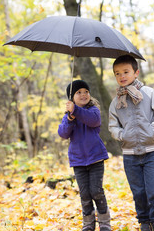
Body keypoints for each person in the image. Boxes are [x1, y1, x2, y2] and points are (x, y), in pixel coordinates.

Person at [108, 55, 154, 231]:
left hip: (151, 152)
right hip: (130, 155)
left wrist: (153, 129)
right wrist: (122, 135)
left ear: (136, 72)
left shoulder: (149, 93)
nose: (122, 76)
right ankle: (144, 222)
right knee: (139, 192)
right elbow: (112, 125)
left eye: (126, 72)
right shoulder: (116, 102)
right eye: (117, 73)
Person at [58, 80, 111, 231]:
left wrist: (76, 111)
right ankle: (88, 224)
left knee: (96, 191)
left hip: (95, 158)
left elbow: (94, 121)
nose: (83, 94)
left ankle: (104, 222)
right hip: (78, 161)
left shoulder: (93, 110)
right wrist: (70, 119)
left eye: (85, 91)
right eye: (78, 92)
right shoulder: (68, 116)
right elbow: (63, 133)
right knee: (85, 194)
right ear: (71, 98)